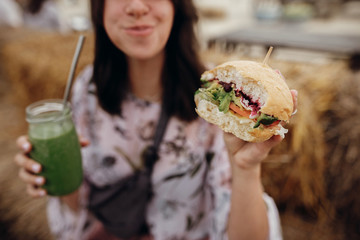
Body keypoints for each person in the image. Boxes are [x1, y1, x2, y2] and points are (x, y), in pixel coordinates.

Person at [14, 0, 297, 239]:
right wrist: (59, 171)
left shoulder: (216, 101)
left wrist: (246, 168)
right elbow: (79, 208)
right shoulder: (87, 89)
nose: (137, 6)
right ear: (99, 9)